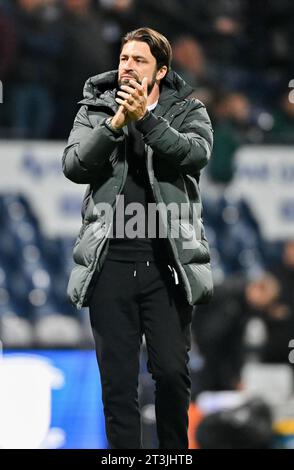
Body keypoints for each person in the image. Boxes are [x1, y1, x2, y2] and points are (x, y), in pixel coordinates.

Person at [62, 27, 213, 449]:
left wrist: (145, 120)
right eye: (124, 58)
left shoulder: (188, 110)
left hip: (166, 264)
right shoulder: (94, 107)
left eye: (139, 60)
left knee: (170, 373)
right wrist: (114, 125)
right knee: (117, 382)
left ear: (160, 71)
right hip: (111, 264)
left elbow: (193, 153)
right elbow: (74, 166)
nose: (127, 66)